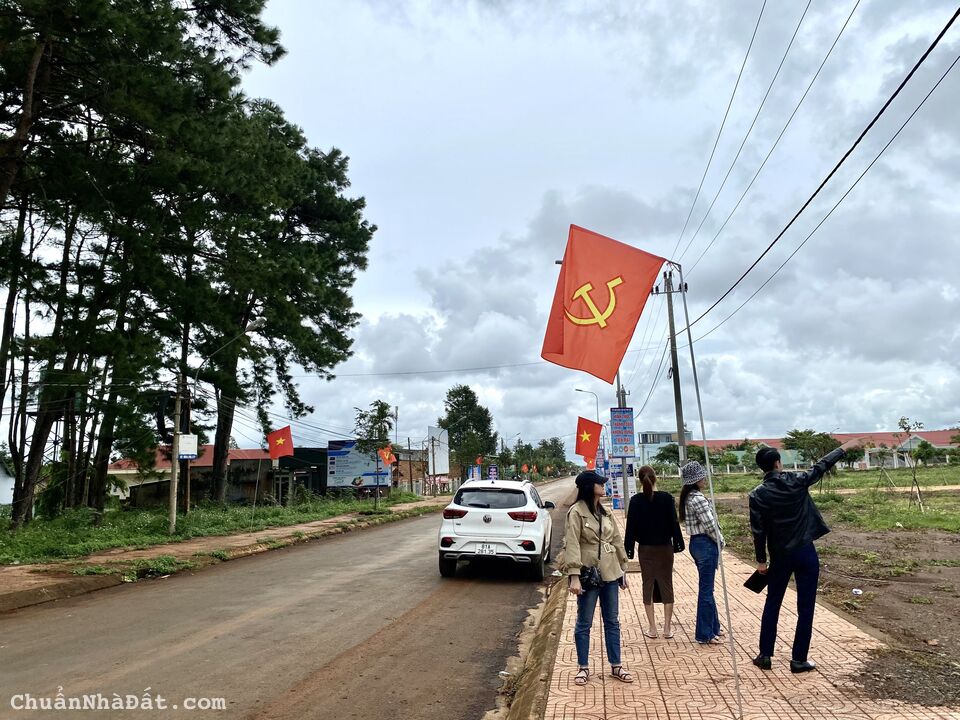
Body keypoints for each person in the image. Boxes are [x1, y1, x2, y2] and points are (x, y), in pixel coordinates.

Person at [750, 439, 861, 673]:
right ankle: (799, 659)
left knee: (773, 603)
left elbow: (758, 531)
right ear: (778, 463)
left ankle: (765, 655)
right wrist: (844, 448)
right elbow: (821, 465)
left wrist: (761, 561)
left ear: (762, 468)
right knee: (806, 606)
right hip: (805, 552)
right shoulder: (797, 480)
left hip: (779, 555)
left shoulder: (758, 495)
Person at [563, 470, 633, 686]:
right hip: (588, 573)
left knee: (612, 621)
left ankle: (616, 665)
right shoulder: (576, 512)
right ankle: (583, 667)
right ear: (589, 487)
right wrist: (574, 576)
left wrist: (623, 569)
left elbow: (617, 540)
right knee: (584, 622)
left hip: (610, 571)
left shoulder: (606, 512)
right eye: (599, 483)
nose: (603, 486)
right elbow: (572, 544)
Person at [624, 465, 684, 639]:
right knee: (667, 584)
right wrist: (678, 544)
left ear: (639, 479)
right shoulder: (667, 498)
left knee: (647, 585)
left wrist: (629, 549)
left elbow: (630, 528)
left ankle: (652, 629)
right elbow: (674, 524)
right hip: (665, 549)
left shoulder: (635, 501)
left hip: (646, 550)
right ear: (655, 478)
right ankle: (667, 629)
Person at [678, 460, 724, 645]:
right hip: (706, 544)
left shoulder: (689, 497)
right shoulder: (697, 498)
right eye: (702, 476)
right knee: (706, 590)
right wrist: (721, 541)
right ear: (696, 479)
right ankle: (705, 633)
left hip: (696, 544)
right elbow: (710, 525)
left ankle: (714, 627)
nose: (705, 479)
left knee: (707, 588)